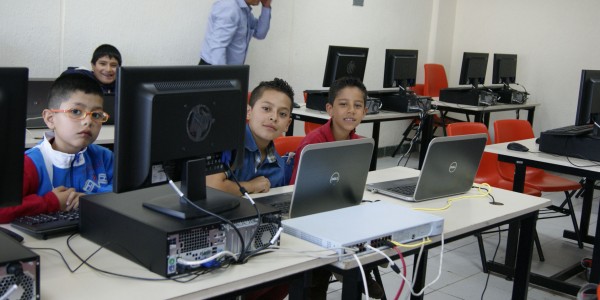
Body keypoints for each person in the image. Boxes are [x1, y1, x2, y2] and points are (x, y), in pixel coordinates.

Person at [289, 77, 384, 299]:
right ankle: (340, 273)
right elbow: (295, 190)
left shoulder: (359, 142)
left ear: (365, 111)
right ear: (330, 109)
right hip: (310, 216)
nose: (351, 110)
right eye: (343, 104)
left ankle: (352, 268)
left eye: (357, 105)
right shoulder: (313, 144)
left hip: (341, 211)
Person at [206, 78, 294, 300]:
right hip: (220, 233)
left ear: (288, 124)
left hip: (257, 234)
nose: (274, 117)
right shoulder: (230, 143)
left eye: (282, 114)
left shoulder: (279, 164)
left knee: (292, 272)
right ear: (248, 112)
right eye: (266, 109)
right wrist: (251, 186)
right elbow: (213, 185)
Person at [0, 73, 114, 223]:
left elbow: (130, 194)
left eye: (97, 115)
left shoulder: (105, 158)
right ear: (50, 119)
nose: (88, 121)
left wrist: (92, 200)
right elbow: (3, 210)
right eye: (76, 112)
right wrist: (50, 202)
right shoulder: (30, 164)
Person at [199, 0, 272, 65]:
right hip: (214, 70)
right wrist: (224, 78)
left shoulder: (243, 10)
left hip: (227, 71)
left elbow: (260, 33)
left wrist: (266, 5)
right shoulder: (229, 7)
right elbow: (217, 46)